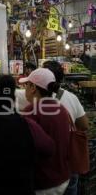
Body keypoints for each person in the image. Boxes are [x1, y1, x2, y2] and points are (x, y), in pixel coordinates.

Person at [19, 68, 71, 195]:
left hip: (43, 182)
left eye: (26, 85)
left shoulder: (31, 110)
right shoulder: (61, 108)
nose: (24, 89)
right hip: (62, 178)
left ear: (33, 88)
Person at [42, 60, 89, 195]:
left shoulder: (35, 98)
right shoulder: (71, 97)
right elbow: (84, 125)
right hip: (69, 160)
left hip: (46, 163)